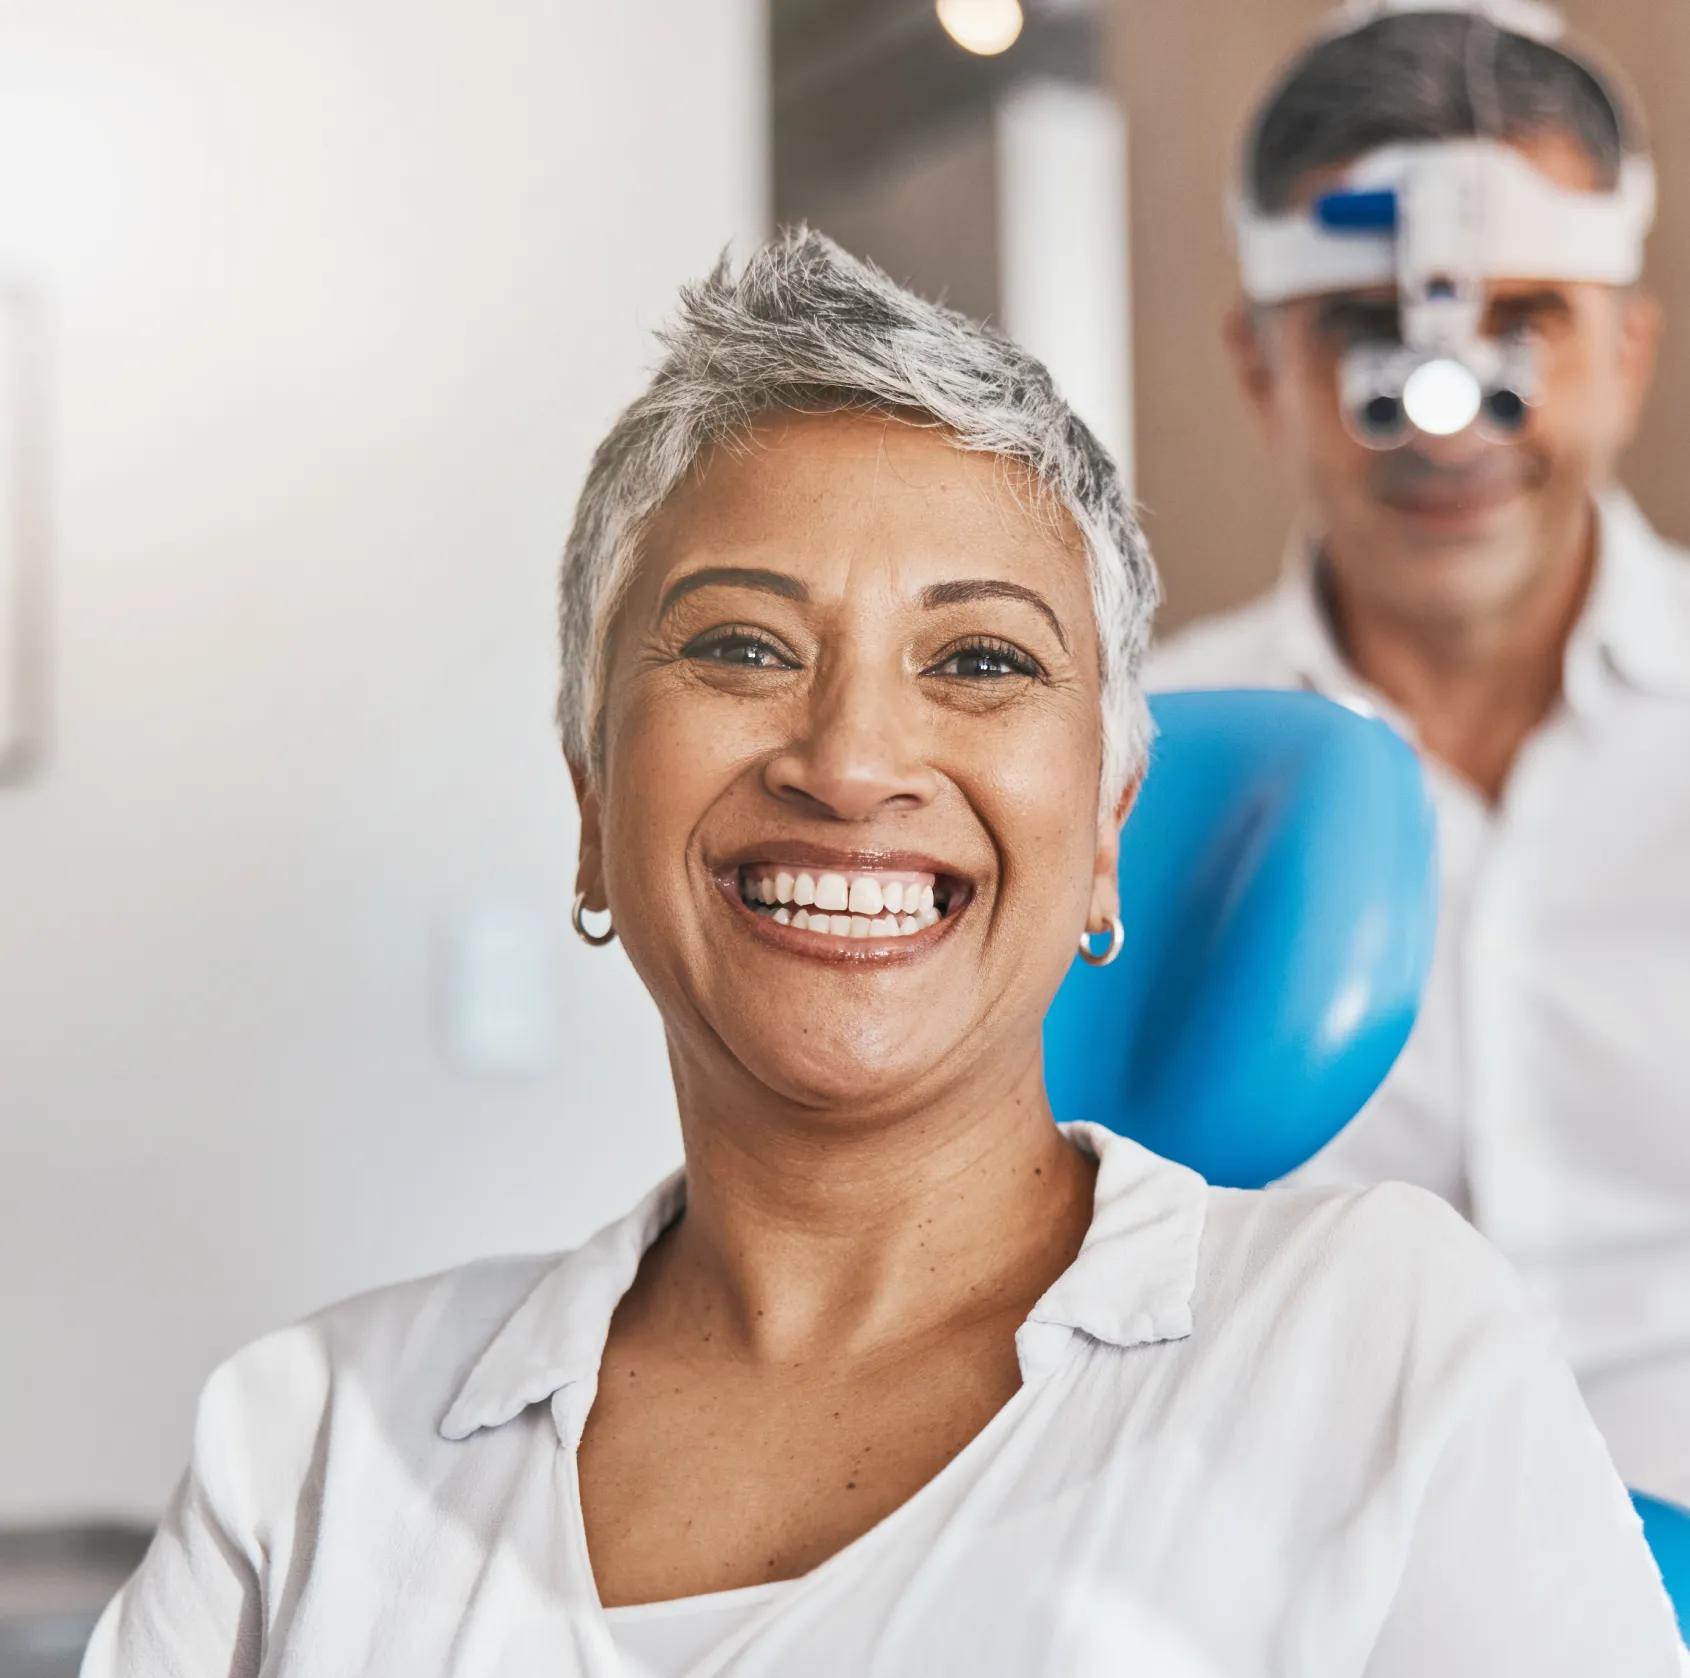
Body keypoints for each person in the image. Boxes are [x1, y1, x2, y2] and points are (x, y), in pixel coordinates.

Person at [84, 232, 1680, 1677]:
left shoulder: (1368, 1337)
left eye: (978, 659)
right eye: (740, 646)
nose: (850, 761)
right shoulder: (307, 1440)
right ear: (590, 801)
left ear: (1109, 829)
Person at [1151, 1, 1690, 1510]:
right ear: (1258, 368)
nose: (1444, 420)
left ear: (1627, 352)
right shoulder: (1129, 766)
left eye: (1523, 324)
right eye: (1361, 336)